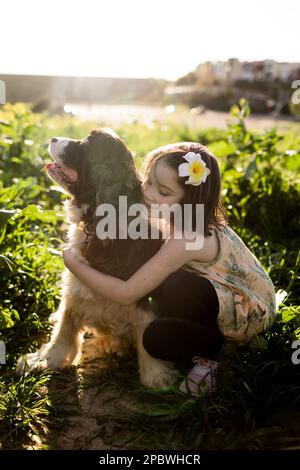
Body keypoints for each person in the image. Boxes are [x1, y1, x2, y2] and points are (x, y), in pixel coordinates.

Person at [63, 142, 277, 396]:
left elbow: (127, 294)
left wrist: (74, 264)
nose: (150, 194)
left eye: (163, 191)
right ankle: (202, 336)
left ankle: (215, 357)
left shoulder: (187, 237)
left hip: (248, 312)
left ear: (188, 199)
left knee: (158, 335)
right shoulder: (180, 215)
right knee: (171, 284)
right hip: (219, 295)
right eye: (149, 182)